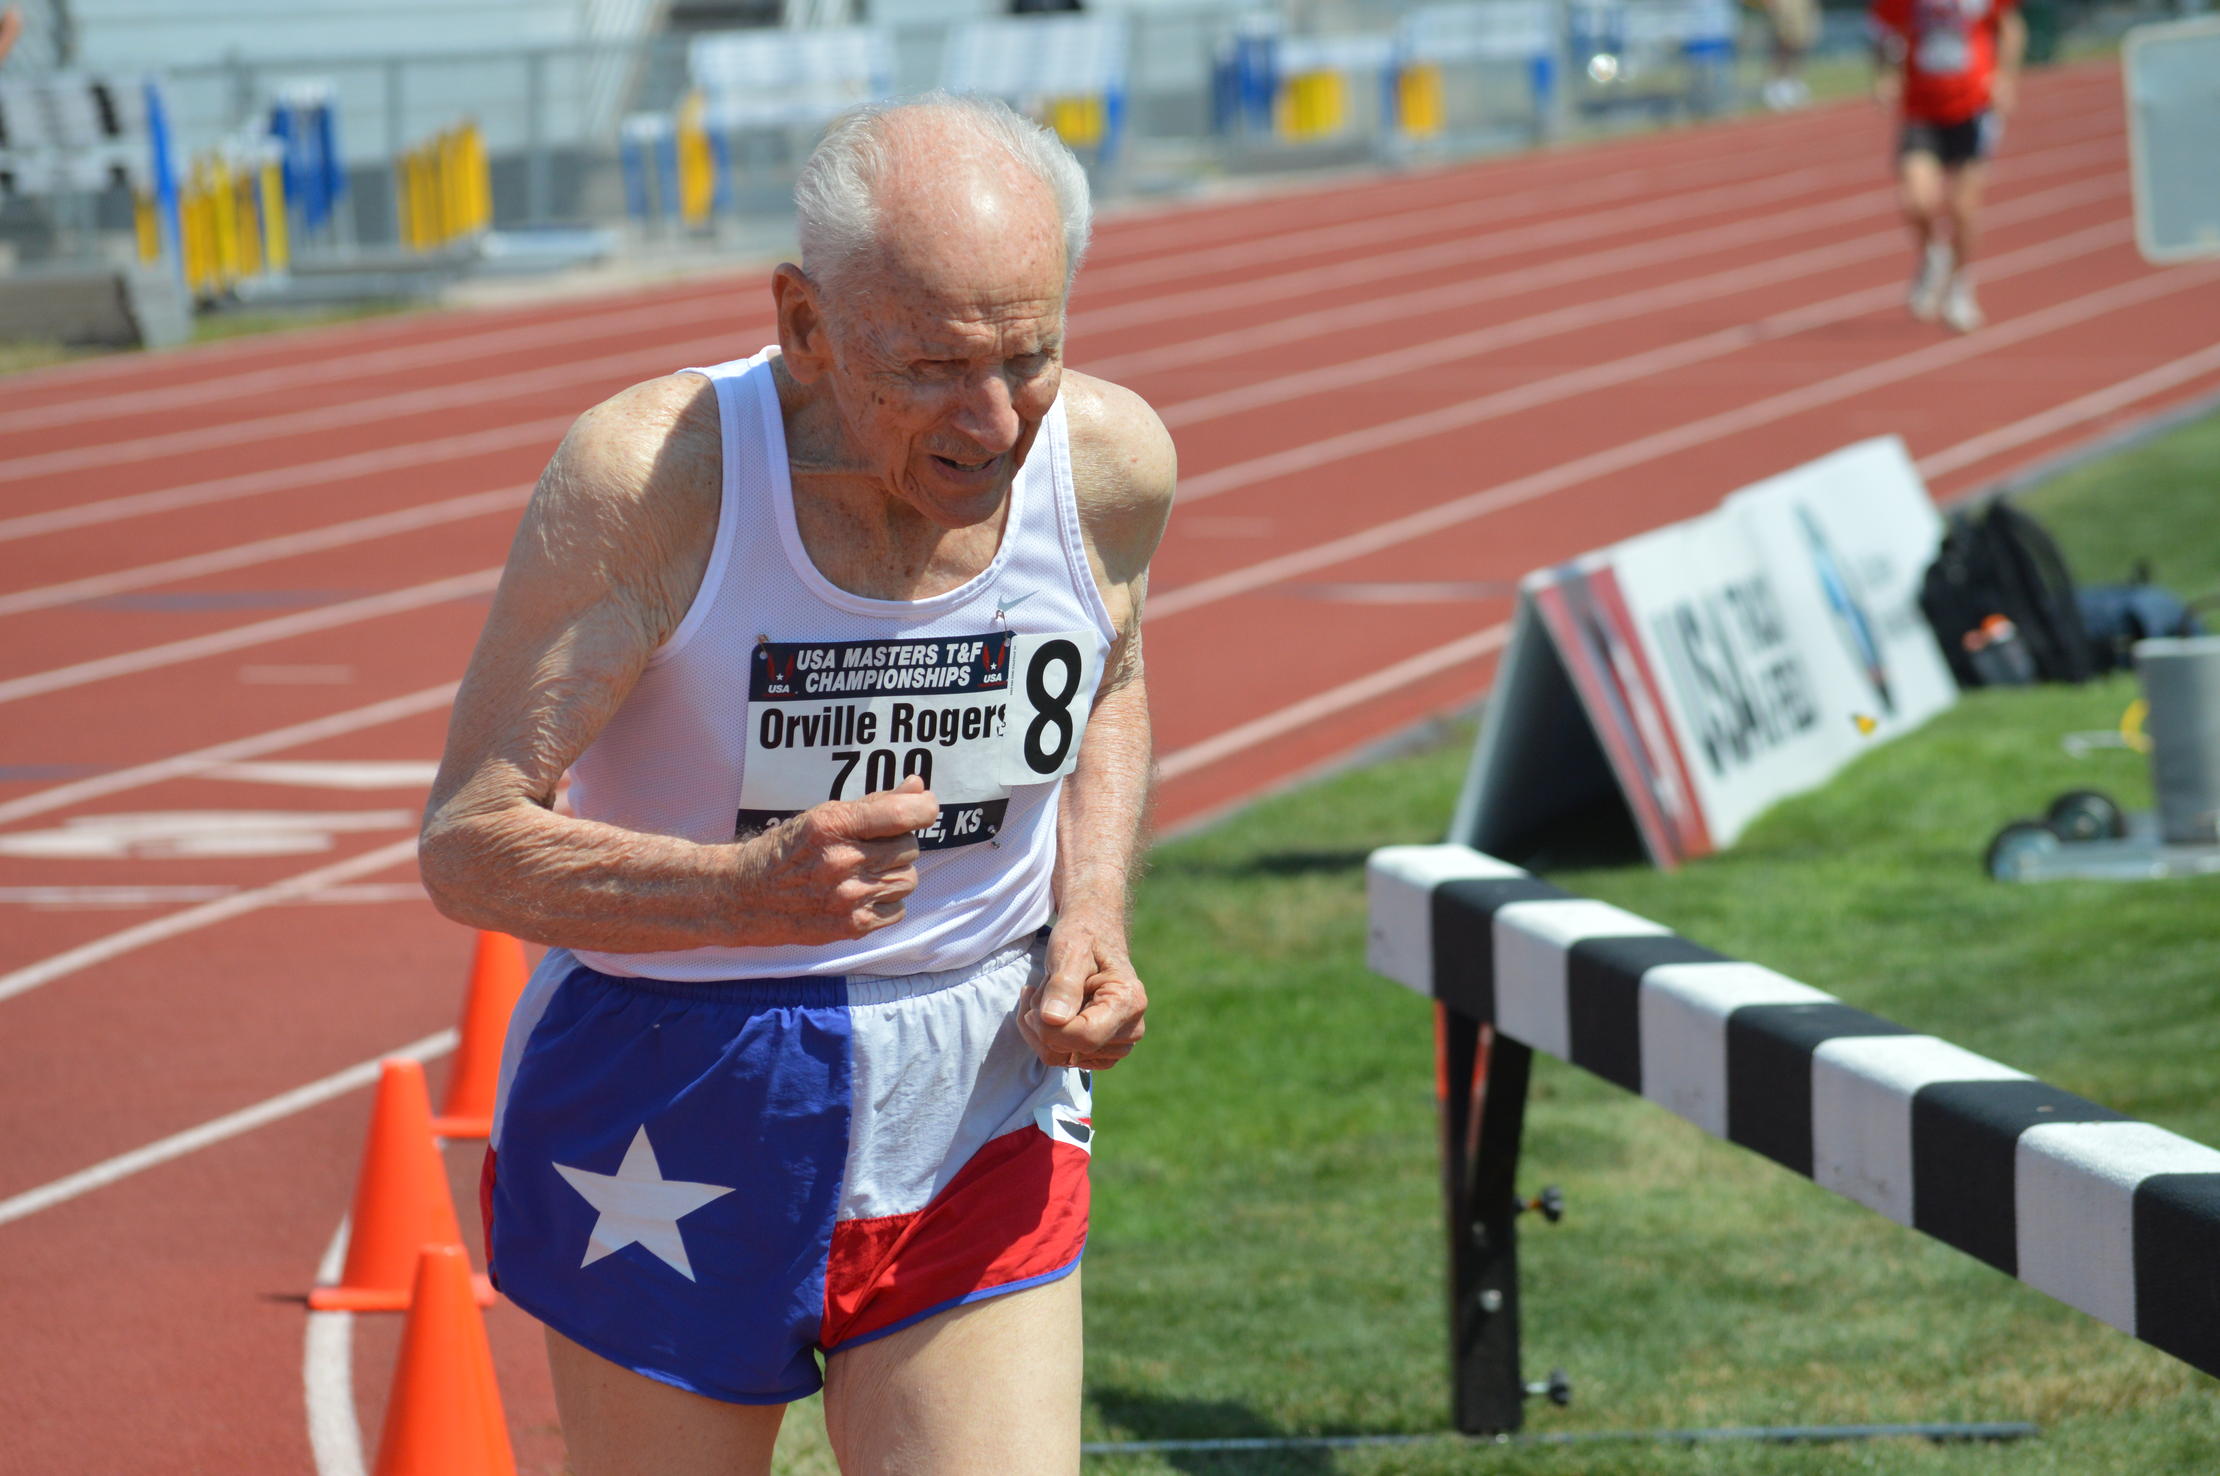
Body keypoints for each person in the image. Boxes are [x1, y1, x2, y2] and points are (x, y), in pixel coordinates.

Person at [419, 91, 1174, 1476]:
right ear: (805, 325)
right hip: (676, 1074)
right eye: (936, 366)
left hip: (974, 1080)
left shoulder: (1110, 465)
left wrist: (1092, 916)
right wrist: (738, 889)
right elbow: (466, 844)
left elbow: (1109, 679)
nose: (993, 421)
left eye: (1030, 356)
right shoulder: (659, 480)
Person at [1870, 0, 2026, 333]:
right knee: (1916, 200)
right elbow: (1886, 33)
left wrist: (2005, 77)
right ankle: (1933, 254)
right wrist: (1885, 74)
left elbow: (2011, 27)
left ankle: (1960, 286)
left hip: (1973, 107)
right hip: (1920, 108)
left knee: (1963, 208)